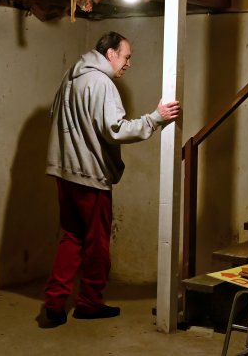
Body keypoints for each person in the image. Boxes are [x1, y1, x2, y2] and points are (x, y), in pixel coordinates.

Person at [43, 31, 180, 326]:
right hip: (89, 175)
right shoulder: (101, 83)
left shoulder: (70, 78)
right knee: (97, 245)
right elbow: (115, 129)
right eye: (126, 57)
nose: (129, 63)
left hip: (64, 172)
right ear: (110, 54)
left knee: (71, 237)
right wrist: (155, 118)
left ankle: (54, 304)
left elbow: (55, 118)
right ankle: (89, 302)